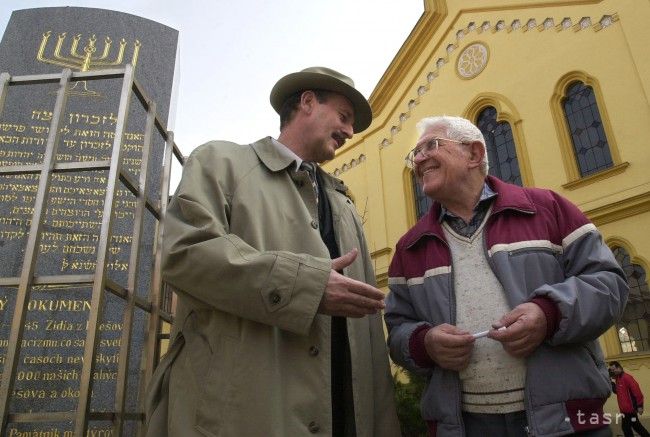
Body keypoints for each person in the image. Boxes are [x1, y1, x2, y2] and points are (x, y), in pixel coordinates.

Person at [144, 66, 401, 437]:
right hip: (242, 420)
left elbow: (369, 342)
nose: (349, 131)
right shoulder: (220, 162)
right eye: (344, 117)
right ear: (308, 102)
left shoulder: (344, 204)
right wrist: (306, 287)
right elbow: (184, 253)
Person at [384, 115, 629, 437]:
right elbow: (398, 328)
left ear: (473, 154)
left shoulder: (550, 208)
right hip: (463, 427)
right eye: (414, 154)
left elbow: (609, 284)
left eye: (431, 146)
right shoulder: (409, 247)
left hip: (565, 421)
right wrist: (423, 343)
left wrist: (549, 313)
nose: (418, 159)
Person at [609, 361, 650, 437]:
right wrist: (611, 383)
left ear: (619, 368)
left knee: (626, 428)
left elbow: (637, 392)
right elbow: (618, 392)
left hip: (630, 410)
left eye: (613, 369)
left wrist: (640, 406)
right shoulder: (618, 379)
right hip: (624, 410)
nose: (612, 371)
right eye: (611, 370)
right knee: (636, 426)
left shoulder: (627, 378)